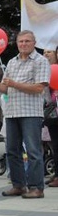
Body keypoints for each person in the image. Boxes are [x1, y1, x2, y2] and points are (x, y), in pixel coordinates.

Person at [0, 30, 50, 199]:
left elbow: (38, 88)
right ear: (17, 43)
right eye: (21, 41)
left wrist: (14, 83)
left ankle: (36, 187)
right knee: (12, 150)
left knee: (33, 150)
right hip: (12, 112)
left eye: (27, 41)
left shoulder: (41, 61)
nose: (24, 44)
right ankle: (18, 185)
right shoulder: (12, 62)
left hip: (30, 112)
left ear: (34, 43)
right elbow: (5, 89)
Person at [43, 46, 58, 188]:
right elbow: (46, 93)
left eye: (50, 52)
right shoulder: (48, 70)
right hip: (53, 112)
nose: (46, 54)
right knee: (55, 145)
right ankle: (56, 174)